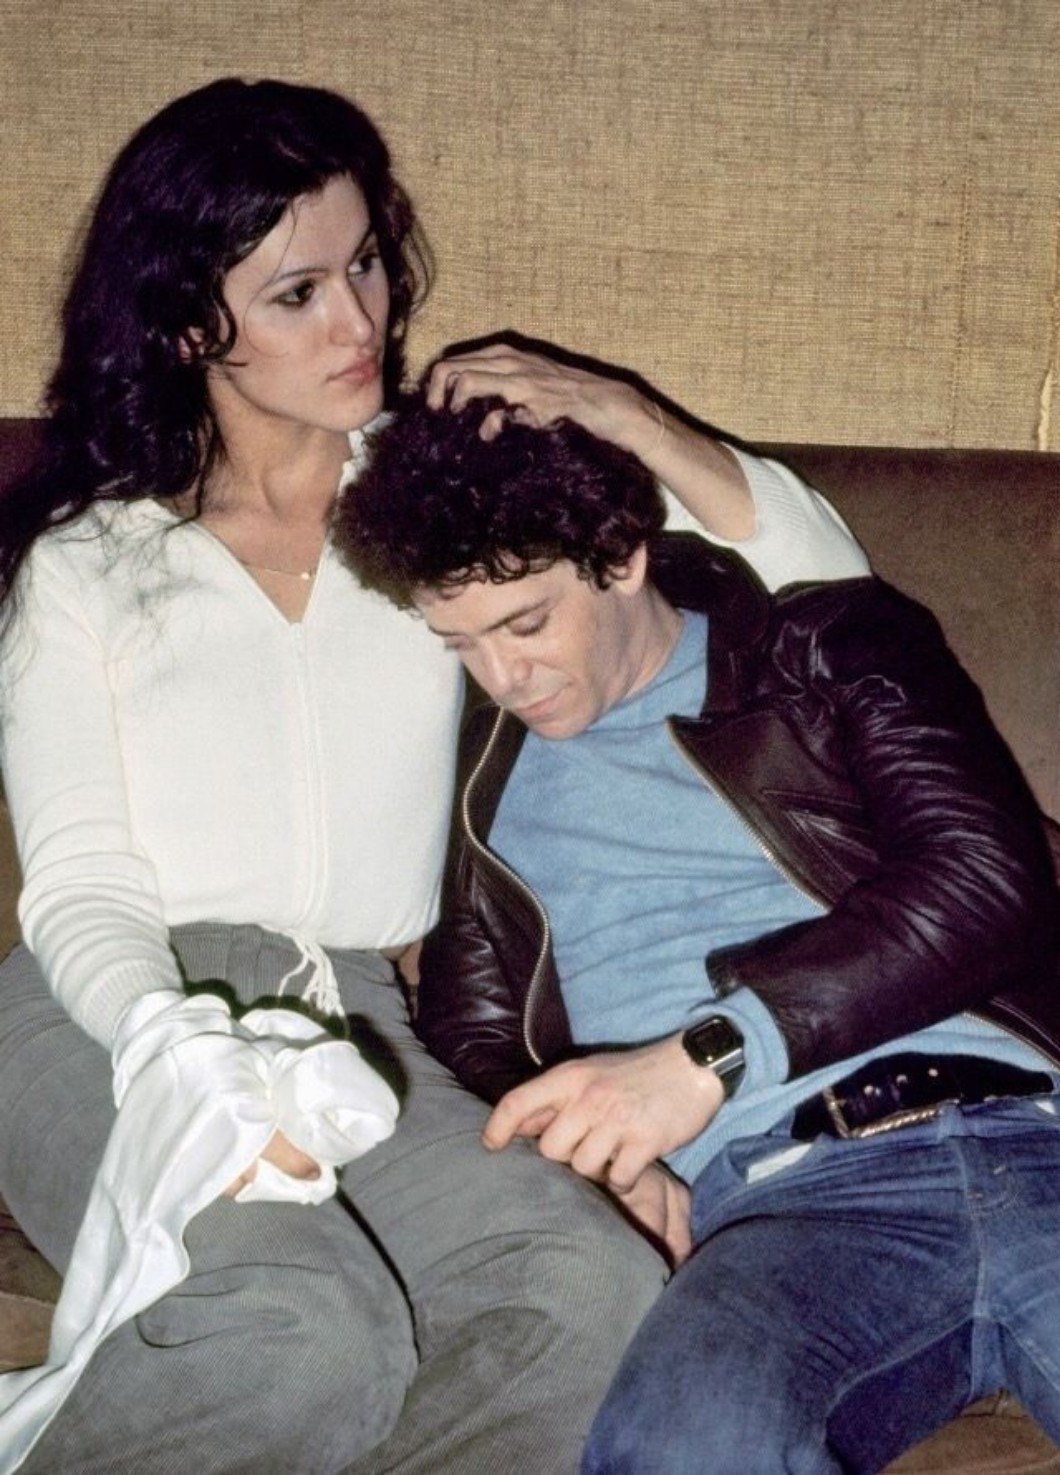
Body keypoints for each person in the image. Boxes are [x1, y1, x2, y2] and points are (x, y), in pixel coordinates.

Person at [0, 78, 870, 1474]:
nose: (362, 323)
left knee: (592, 1295)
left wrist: (623, 412)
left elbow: (828, 585)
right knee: (302, 1329)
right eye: (296, 294)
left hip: (360, 1015)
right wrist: (180, 1057)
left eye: (366, 265)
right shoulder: (87, 563)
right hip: (107, 1010)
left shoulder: (442, 495)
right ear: (186, 325)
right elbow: (80, 884)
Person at [336, 389, 1060, 1473]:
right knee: (673, 1448)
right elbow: (474, 1039)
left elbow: (986, 879)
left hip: (1034, 1128)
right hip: (786, 1206)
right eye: (460, 642)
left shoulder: (818, 648)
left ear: (623, 557)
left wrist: (707, 1055)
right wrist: (581, 1156)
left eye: (526, 623)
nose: (502, 677)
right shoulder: (475, 788)